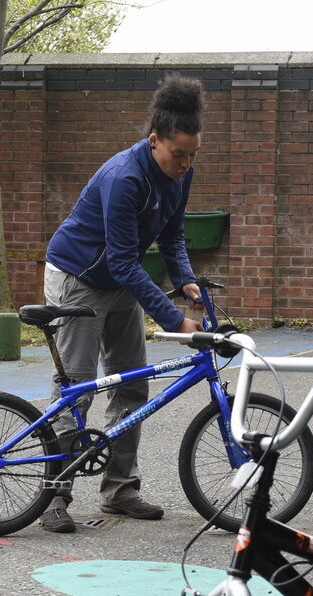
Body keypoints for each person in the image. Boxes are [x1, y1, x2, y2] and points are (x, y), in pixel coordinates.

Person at [39, 73, 206, 533]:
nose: (185, 163)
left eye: (193, 155)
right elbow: (125, 262)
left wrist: (186, 280)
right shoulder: (124, 177)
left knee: (132, 384)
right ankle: (54, 494)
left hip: (118, 280)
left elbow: (172, 233)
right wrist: (175, 319)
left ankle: (119, 489)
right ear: (155, 141)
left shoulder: (179, 175)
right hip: (79, 277)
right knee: (76, 387)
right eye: (178, 154)